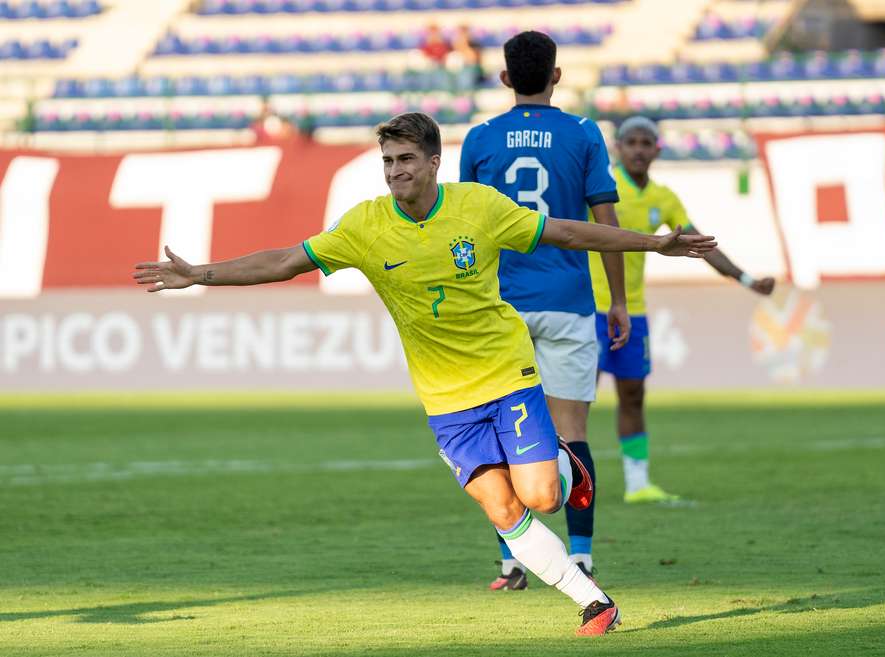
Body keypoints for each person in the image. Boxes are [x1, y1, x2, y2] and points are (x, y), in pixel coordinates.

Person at [133, 112, 715, 636]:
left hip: (506, 373)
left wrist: (654, 245)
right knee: (503, 510)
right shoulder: (365, 225)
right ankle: (594, 603)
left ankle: (569, 464)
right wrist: (200, 275)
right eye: (387, 161)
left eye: (406, 159)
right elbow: (285, 261)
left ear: (435, 162)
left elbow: (566, 231)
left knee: (542, 496)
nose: (395, 171)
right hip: (445, 400)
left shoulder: (480, 208)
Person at [460, 31, 626, 591]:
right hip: (569, 303)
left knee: (501, 435)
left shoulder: (480, 139)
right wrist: (619, 300)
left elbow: (468, 229)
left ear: (505, 79)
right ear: (557, 75)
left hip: (501, 308)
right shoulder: (583, 133)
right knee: (572, 432)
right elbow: (606, 226)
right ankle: (579, 555)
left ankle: (512, 561)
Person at [590, 116, 774, 504]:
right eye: (631, 142)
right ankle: (566, 479)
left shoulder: (664, 198)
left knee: (633, 395)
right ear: (617, 149)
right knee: (577, 398)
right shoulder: (603, 189)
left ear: (657, 150)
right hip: (587, 309)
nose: (638, 149)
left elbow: (701, 244)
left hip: (632, 311)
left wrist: (746, 279)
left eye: (646, 143)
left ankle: (638, 485)